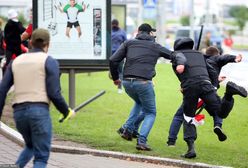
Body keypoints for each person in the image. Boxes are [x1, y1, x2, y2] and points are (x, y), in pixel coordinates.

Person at [0, 28, 75, 167]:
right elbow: (54, 93)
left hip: (19, 113)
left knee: (31, 145)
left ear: (30, 42)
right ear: (48, 44)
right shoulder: (49, 61)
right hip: (39, 111)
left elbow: (2, 90)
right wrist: (66, 111)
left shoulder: (16, 61)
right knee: (41, 157)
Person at [109, 23, 186, 151]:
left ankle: (128, 129)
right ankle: (142, 141)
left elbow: (113, 60)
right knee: (151, 112)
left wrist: (116, 78)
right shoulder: (155, 46)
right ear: (150, 33)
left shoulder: (129, 43)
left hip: (127, 82)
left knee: (139, 103)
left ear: (138, 32)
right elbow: (174, 55)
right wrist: (183, 60)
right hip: (144, 82)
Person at [171, 37, 247, 159]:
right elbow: (213, 64)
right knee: (220, 113)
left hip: (190, 87)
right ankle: (229, 94)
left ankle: (191, 149)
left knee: (188, 117)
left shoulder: (177, 55)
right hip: (207, 84)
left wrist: (180, 64)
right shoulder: (200, 55)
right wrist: (216, 79)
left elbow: (180, 58)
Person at [3, 9, 25, 75]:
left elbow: (5, 36)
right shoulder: (18, 23)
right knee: (20, 60)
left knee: (8, 61)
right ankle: (21, 73)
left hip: (9, 46)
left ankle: (5, 74)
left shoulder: (7, 25)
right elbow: (22, 30)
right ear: (15, 16)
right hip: (17, 45)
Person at [111, 19, 127, 94]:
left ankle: (119, 87)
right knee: (119, 72)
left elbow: (126, 43)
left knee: (119, 71)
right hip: (116, 55)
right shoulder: (122, 32)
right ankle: (119, 87)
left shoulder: (110, 32)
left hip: (116, 55)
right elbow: (126, 43)